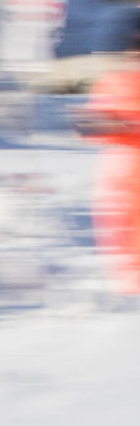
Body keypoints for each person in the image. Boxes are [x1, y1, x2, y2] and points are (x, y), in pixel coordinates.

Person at [83, 21, 140, 294]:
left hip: (125, 170)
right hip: (120, 170)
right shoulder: (112, 80)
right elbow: (90, 123)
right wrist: (102, 124)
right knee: (120, 227)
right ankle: (128, 286)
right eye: (132, 47)